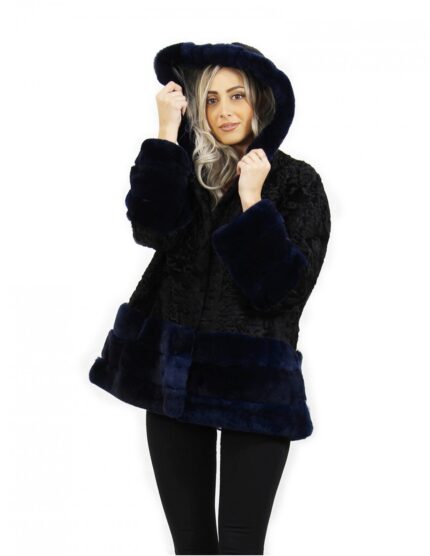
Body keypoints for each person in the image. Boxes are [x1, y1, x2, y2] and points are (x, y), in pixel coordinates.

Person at [89, 41, 331, 555]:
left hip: (255, 386)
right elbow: (151, 229)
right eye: (211, 98)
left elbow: (281, 292)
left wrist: (252, 201)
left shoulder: (297, 183)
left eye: (237, 95)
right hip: (173, 380)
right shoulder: (188, 174)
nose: (224, 110)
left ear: (261, 101)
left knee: (241, 545)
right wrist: (165, 134)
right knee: (192, 544)